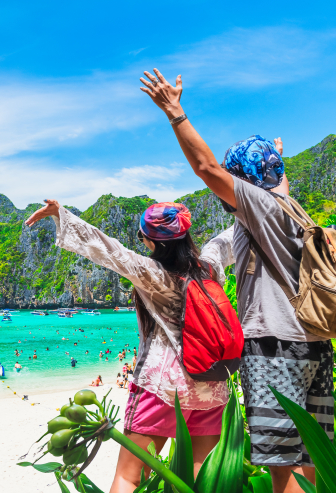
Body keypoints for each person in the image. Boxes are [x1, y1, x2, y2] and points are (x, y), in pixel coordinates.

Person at [141, 68, 328, 493]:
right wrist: (274, 153)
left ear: (243, 181)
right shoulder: (290, 207)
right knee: (308, 458)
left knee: (283, 467)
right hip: (313, 345)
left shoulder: (260, 208)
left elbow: (206, 167)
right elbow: (273, 175)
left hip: (274, 348)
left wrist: (174, 112)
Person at [26, 198, 235, 493]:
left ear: (149, 240)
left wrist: (61, 214)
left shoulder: (153, 274)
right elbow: (226, 240)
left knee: (130, 477)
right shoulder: (209, 268)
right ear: (186, 234)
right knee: (204, 481)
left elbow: (109, 250)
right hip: (210, 384)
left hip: (164, 386)